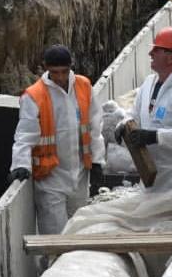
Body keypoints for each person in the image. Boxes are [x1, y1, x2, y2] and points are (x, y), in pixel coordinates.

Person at [8, 45, 105, 235]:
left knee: (79, 231)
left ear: (71, 67)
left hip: (79, 174)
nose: (60, 77)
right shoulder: (35, 96)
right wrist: (20, 164)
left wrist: (97, 162)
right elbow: (25, 135)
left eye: (64, 71)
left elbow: (94, 126)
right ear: (45, 68)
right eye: (55, 72)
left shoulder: (83, 86)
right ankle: (51, 263)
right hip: (50, 178)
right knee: (55, 235)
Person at [114, 28, 172, 191]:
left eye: (156, 50)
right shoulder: (149, 84)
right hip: (152, 180)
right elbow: (134, 113)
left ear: (171, 57)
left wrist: (155, 136)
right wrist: (125, 123)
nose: (151, 53)